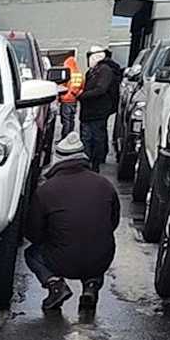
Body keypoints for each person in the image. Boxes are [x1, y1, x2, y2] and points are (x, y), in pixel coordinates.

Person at [23, 132, 120, 313]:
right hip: (100, 259)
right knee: (96, 243)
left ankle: (56, 286)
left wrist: (52, 238)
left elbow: (33, 233)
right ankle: (91, 286)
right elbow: (112, 223)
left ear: (57, 159)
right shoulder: (104, 184)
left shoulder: (46, 191)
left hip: (62, 260)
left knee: (32, 254)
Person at [77, 46, 124, 173]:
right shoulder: (94, 71)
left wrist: (81, 96)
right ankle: (92, 161)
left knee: (94, 137)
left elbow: (100, 89)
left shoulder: (104, 70)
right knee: (91, 136)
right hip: (91, 110)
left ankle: (93, 162)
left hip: (97, 111)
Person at [57, 53, 83, 136]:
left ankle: (64, 138)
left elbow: (61, 87)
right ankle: (70, 136)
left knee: (66, 120)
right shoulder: (79, 74)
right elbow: (82, 87)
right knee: (71, 119)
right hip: (74, 100)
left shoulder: (67, 74)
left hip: (66, 100)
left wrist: (59, 98)